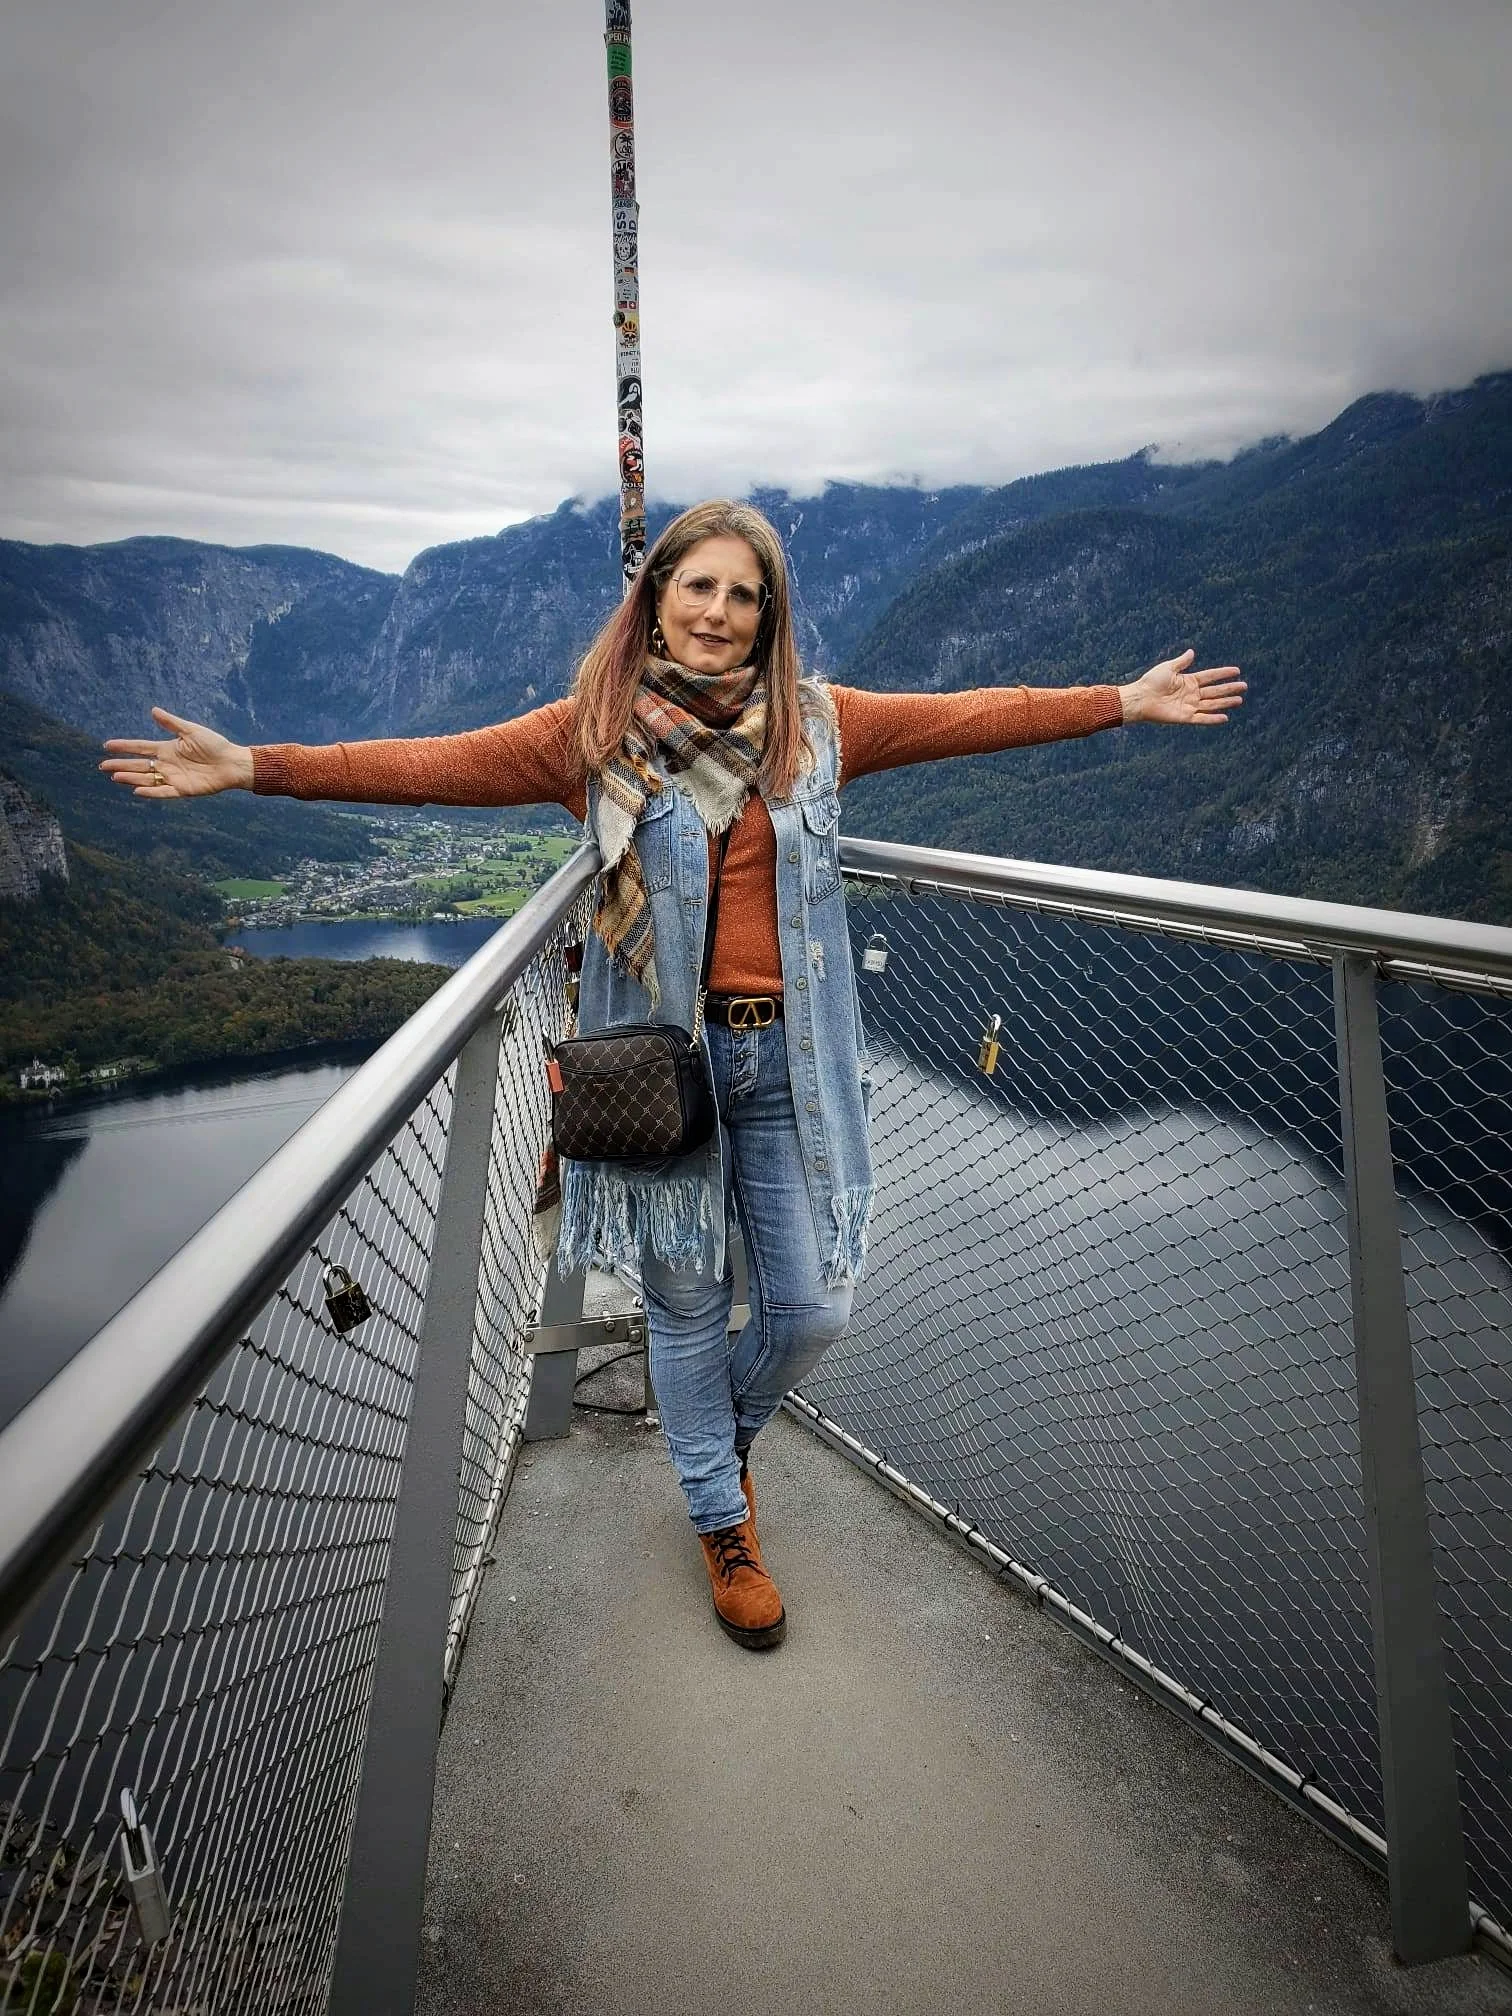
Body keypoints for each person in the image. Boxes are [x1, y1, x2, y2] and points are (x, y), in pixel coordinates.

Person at [103, 499, 1244, 1651]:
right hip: (662, 1072)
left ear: (769, 617)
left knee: (811, 1308)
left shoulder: (820, 725)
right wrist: (254, 766)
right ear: (656, 598)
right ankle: (722, 1523)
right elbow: (432, 765)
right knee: (688, 1302)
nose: (719, 610)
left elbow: (972, 715)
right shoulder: (595, 733)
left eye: (744, 594)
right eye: (699, 585)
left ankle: (716, 1449)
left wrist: (1121, 700)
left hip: (790, 1061)